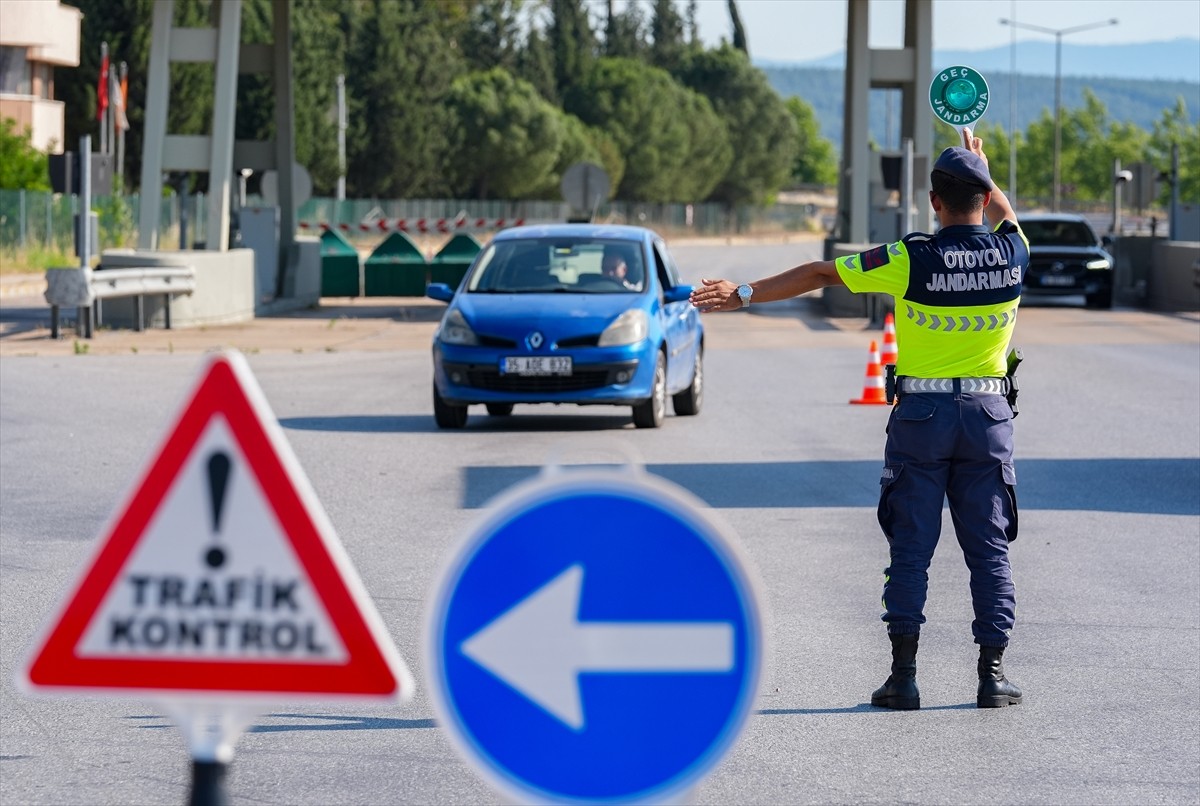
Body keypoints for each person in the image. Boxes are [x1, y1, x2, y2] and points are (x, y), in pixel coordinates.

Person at [690, 127, 1028, 710]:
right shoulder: (1012, 253)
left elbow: (821, 274)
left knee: (911, 547)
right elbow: (1007, 214)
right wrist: (984, 170)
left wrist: (742, 293)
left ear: (933, 201)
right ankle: (992, 677)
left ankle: (903, 677)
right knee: (989, 548)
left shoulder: (910, 258)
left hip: (922, 416)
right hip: (988, 417)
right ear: (983, 196)